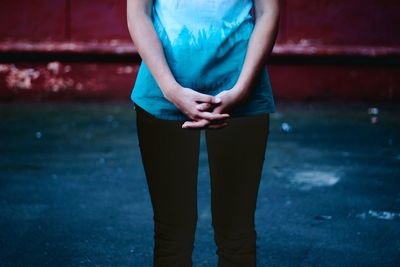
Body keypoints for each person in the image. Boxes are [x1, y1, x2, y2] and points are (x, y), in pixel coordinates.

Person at [127, 0, 280, 266]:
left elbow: (269, 12)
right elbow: (138, 13)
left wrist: (242, 90)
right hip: (162, 95)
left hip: (241, 92)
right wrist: (171, 90)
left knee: (236, 232)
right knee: (172, 234)